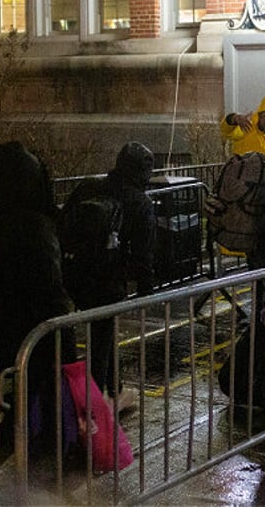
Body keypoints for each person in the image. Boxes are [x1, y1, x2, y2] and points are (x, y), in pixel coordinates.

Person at [0, 142, 76, 494]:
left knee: (3, 413)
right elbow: (50, 291)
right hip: (29, 342)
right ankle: (12, 487)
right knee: (27, 417)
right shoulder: (35, 225)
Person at [62, 142, 156, 413]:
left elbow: (64, 223)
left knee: (103, 334)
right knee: (101, 340)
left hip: (75, 273)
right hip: (108, 280)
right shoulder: (140, 202)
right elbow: (143, 253)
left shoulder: (88, 187)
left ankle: (114, 391)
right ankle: (94, 407)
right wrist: (146, 290)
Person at [220, 91, 265, 156]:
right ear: (258, 117)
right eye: (263, 116)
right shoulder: (247, 129)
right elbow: (226, 130)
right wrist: (235, 118)